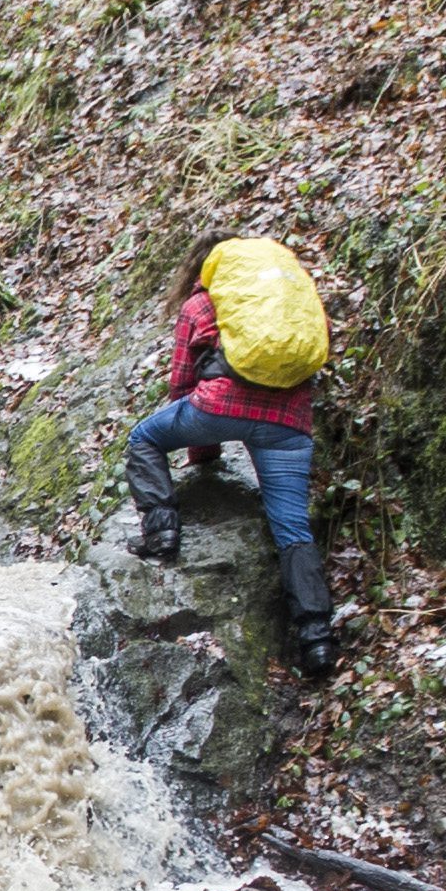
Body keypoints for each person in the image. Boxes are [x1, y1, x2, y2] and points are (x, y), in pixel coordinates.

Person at [122, 236, 336, 679]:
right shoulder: (280, 302)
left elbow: (183, 383)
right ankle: (316, 640)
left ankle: (162, 534)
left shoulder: (201, 306)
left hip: (219, 408)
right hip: (288, 423)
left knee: (143, 438)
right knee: (293, 528)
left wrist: (204, 452)